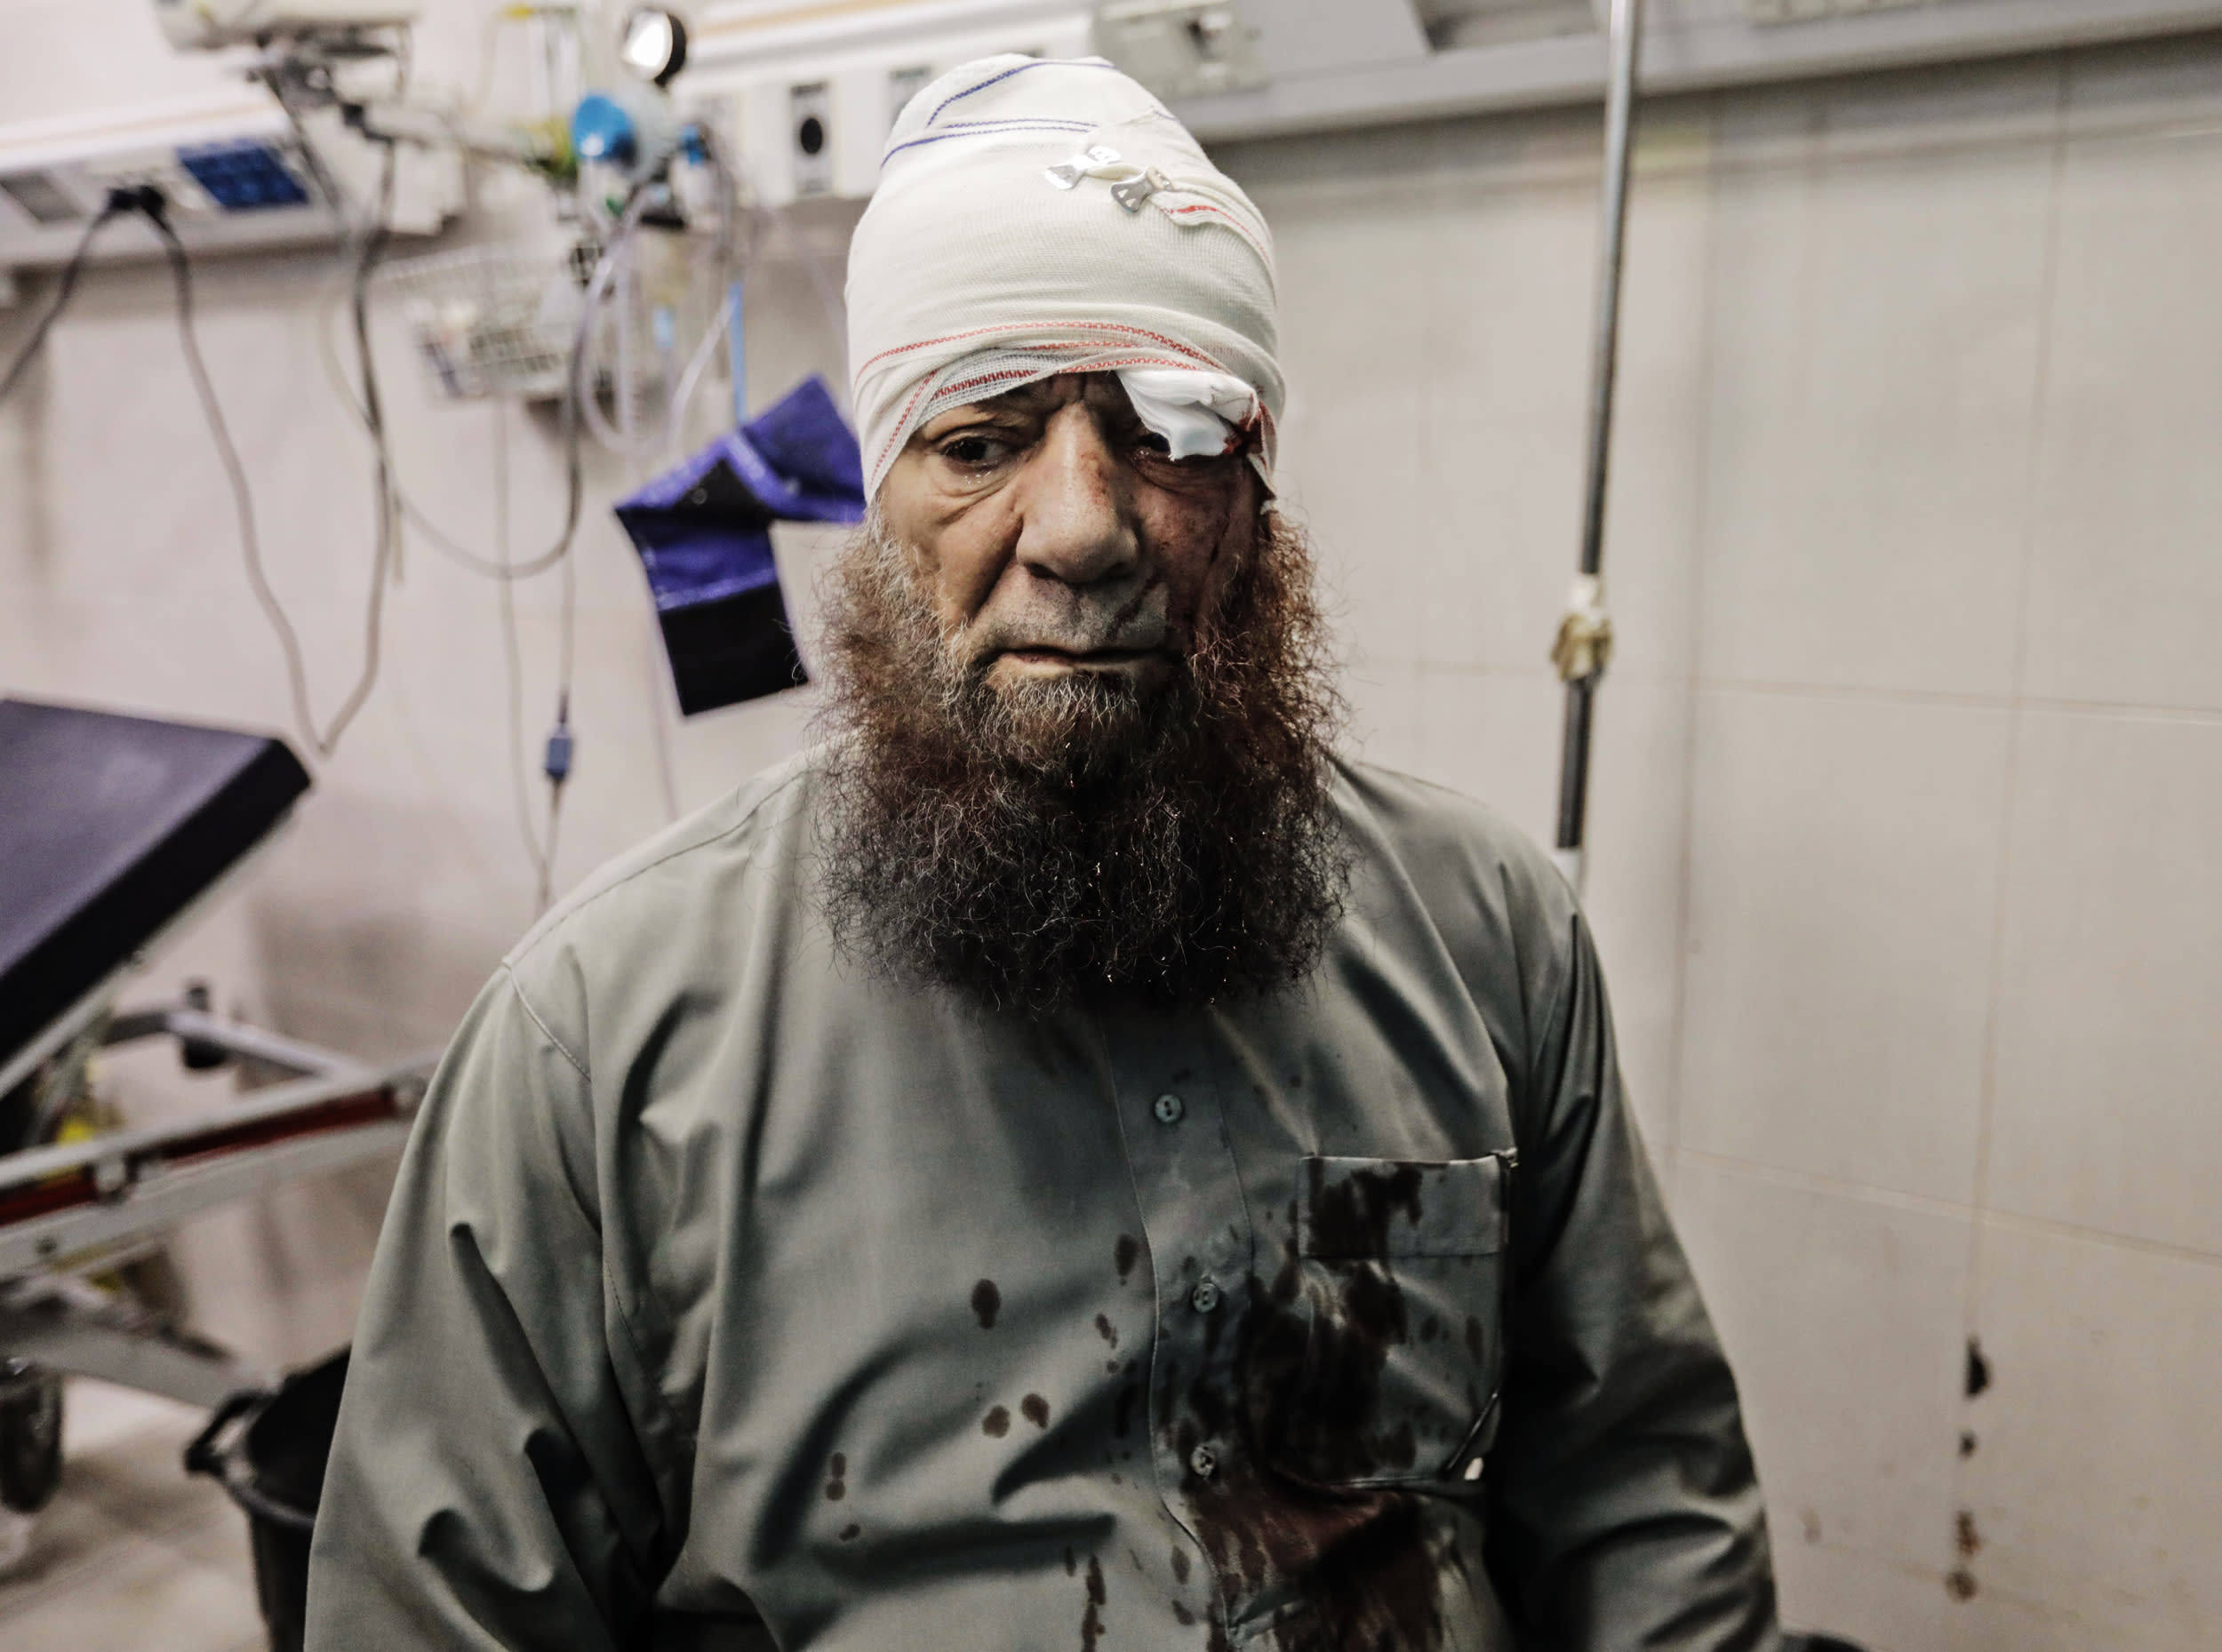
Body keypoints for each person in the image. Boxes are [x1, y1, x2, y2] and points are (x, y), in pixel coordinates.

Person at [305, 55, 1779, 1652]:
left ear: (1256, 495)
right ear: (882, 503)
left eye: (1168, 432)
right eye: (982, 437)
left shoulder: (1485, 938)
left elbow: (1642, 1497)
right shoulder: (598, 1049)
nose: (1081, 523)